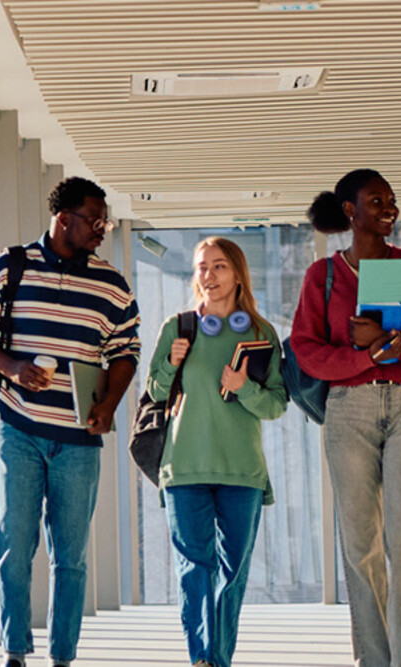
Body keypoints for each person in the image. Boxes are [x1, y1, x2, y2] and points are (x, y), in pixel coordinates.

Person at [0, 176, 142, 667]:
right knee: (14, 545)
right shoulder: (8, 266)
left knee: (71, 557)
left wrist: (109, 404)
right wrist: (12, 367)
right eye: (94, 221)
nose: (102, 229)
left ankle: (63, 658)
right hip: (18, 429)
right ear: (64, 219)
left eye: (105, 222)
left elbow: (126, 350)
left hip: (79, 440)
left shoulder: (112, 284)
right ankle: (15, 653)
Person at [289, 168, 401, 667]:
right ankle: (375, 661)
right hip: (349, 409)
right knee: (360, 541)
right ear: (349, 211)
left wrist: (395, 343)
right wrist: (365, 356)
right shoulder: (324, 276)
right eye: (376, 200)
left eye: (392, 200)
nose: (389, 208)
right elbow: (306, 351)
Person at [146, 237, 289, 667]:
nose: (208, 276)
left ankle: (219, 658)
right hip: (184, 467)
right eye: (201, 267)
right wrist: (172, 362)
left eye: (219, 266)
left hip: (241, 471)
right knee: (195, 568)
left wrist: (244, 388)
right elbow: (154, 390)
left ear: (238, 273)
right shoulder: (178, 327)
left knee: (233, 574)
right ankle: (201, 660)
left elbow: (278, 404)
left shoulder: (263, 335)